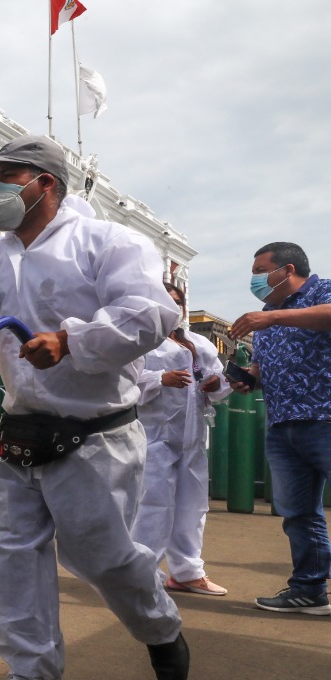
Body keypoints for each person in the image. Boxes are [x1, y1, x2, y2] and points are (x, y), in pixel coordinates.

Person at [0, 135, 188, 680]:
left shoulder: (107, 242)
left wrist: (73, 341)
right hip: (19, 427)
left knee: (102, 557)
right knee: (12, 554)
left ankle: (160, 627)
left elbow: (151, 312)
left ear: (44, 182)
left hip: (94, 434)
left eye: (5, 176)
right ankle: (34, 679)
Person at [227, 242, 331, 616]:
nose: (255, 278)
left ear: (286, 270)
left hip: (325, 418)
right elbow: (259, 371)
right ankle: (309, 590)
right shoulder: (267, 312)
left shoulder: (322, 290)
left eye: (259, 269)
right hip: (283, 425)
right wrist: (247, 380)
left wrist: (270, 319)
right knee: (299, 513)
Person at [132, 282, 231, 596]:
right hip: (153, 436)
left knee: (192, 506)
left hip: (192, 436)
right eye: (166, 301)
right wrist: (160, 379)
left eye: (179, 302)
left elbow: (216, 379)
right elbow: (120, 381)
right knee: (152, 506)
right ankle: (142, 575)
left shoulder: (198, 343)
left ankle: (187, 572)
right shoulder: (137, 340)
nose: (174, 308)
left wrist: (217, 384)